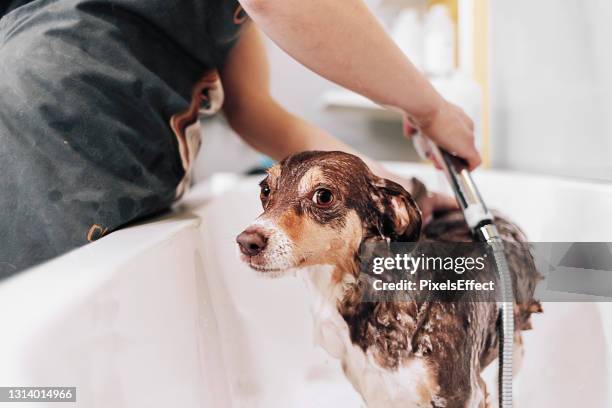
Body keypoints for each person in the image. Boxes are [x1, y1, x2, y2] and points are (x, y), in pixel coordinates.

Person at [0, 0, 479, 277]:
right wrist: (430, 107)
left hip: (83, 130)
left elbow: (254, 112)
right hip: (54, 127)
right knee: (50, 363)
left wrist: (383, 186)